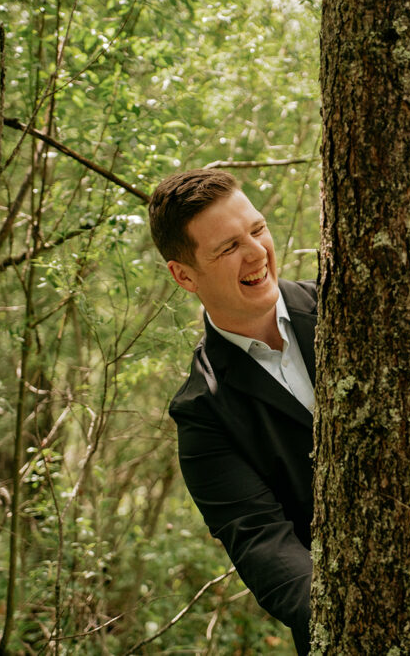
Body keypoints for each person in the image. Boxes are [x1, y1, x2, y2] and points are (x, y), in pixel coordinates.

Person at [148, 168, 315, 654]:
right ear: (184, 275)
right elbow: (264, 544)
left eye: (258, 230)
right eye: (227, 248)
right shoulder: (202, 413)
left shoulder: (349, 302)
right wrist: (358, 614)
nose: (257, 253)